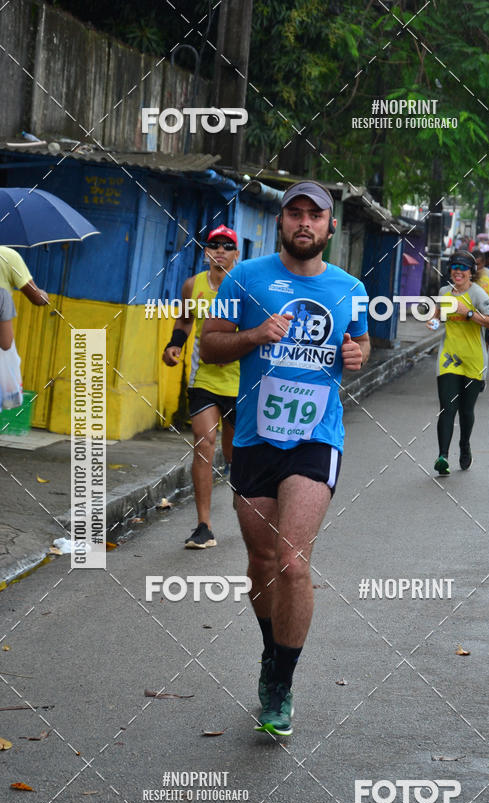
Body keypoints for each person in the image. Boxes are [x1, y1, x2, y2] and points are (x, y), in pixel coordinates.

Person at [200, 181, 370, 736]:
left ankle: (281, 684)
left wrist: (356, 352)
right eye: (294, 213)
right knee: (263, 563)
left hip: (317, 438)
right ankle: (272, 652)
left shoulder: (351, 288)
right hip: (254, 439)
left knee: (294, 561)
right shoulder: (246, 279)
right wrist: (255, 335)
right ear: (281, 223)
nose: (304, 222)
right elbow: (210, 344)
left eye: (313, 215)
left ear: (329, 227)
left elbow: (360, 347)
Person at [162, 225, 240, 548]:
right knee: (203, 443)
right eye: (213, 245)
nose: (219, 250)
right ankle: (203, 526)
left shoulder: (245, 285)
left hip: (239, 379)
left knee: (233, 452)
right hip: (203, 378)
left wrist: (231, 347)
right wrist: (174, 345)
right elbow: (185, 320)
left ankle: (242, 490)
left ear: (237, 254)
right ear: (206, 251)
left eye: (226, 246)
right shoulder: (192, 285)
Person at [428, 250, 489, 475]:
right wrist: (433, 319)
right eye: (454, 267)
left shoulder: (478, 294)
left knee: (466, 411)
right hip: (449, 358)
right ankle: (443, 456)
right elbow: (439, 315)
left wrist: (469, 313)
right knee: (447, 408)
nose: (458, 271)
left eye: (463, 268)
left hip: (474, 360)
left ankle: (465, 444)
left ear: (471, 272)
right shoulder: (443, 292)